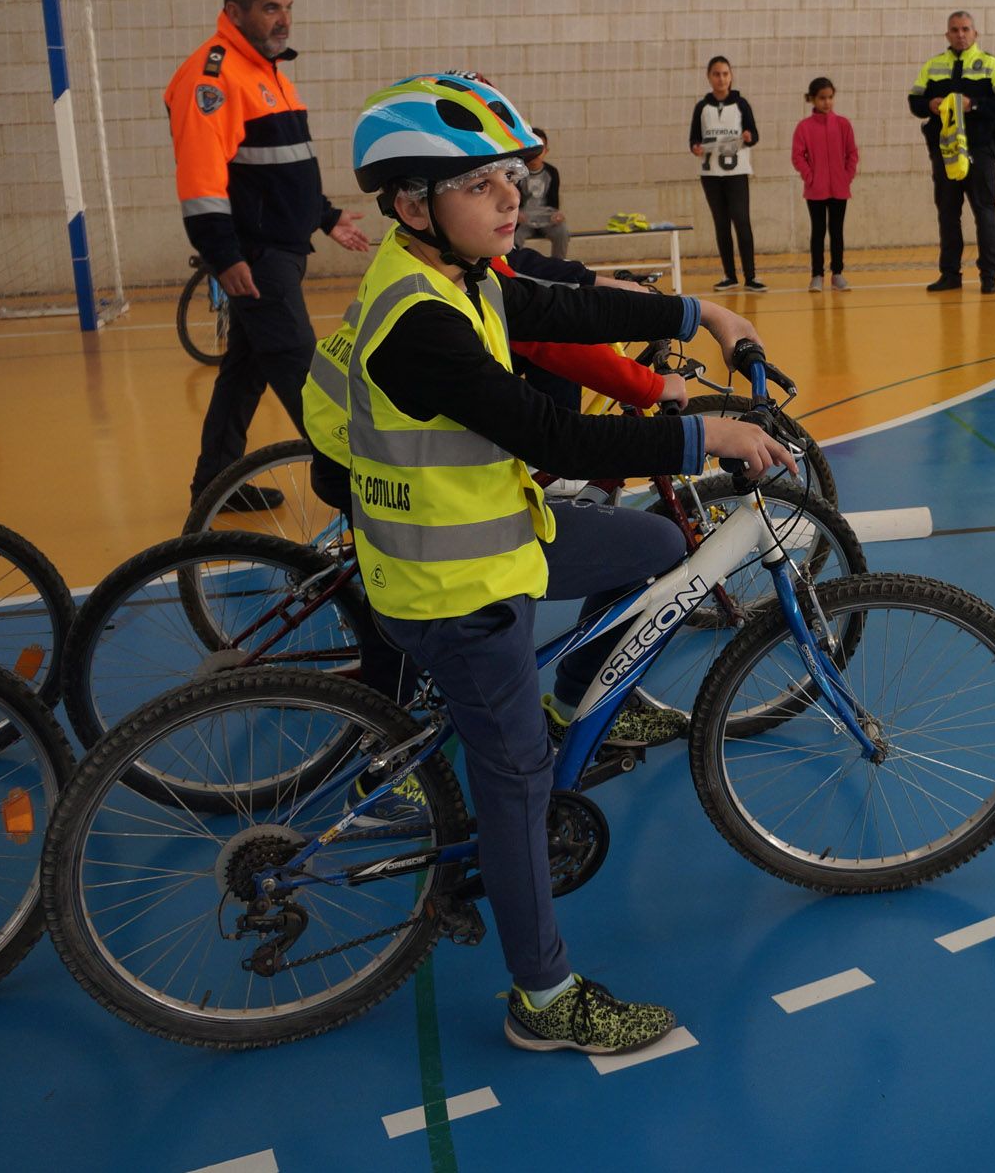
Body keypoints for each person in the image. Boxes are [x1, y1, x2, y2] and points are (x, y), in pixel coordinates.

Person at [306, 71, 791, 1055]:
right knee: (516, 779)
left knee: (656, 543)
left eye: (510, 179)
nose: (508, 198)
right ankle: (543, 996)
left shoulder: (459, 274)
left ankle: (574, 698)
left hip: (498, 536)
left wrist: (699, 313)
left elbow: (559, 306)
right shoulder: (418, 324)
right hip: (453, 587)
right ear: (411, 204)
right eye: (483, 184)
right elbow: (552, 435)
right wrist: (712, 438)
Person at [167, 0, 370, 511]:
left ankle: (215, 486)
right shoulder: (212, 78)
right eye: (270, 7)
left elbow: (281, 168)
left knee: (243, 376)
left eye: (287, 7)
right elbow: (201, 181)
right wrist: (224, 255)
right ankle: (360, 490)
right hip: (255, 259)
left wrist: (326, 216)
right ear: (235, 11)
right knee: (307, 380)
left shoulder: (270, 71)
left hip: (279, 251)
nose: (283, 19)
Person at [909, 11, 995, 294]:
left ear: (975, 33)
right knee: (947, 212)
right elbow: (914, 101)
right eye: (954, 30)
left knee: (985, 211)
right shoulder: (933, 66)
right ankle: (950, 274)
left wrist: (974, 105)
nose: (960, 34)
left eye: (965, 29)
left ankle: (989, 277)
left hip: (980, 150)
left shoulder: (991, 65)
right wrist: (928, 105)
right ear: (947, 35)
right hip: (945, 150)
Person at [688, 56, 763, 291]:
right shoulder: (702, 107)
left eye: (725, 74)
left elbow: (754, 135)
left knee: (741, 221)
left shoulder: (741, 105)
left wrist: (749, 137)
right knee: (721, 223)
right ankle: (729, 275)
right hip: (711, 175)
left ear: (731, 76)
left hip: (736, 172)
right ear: (709, 77)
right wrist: (696, 148)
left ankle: (751, 276)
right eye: (716, 74)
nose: (721, 79)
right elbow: (693, 139)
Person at [791, 77, 859, 292]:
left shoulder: (843, 124)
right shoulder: (804, 127)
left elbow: (852, 153)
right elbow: (797, 156)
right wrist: (810, 177)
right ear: (812, 99)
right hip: (815, 191)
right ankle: (817, 275)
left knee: (837, 232)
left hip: (839, 189)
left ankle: (837, 273)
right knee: (818, 232)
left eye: (830, 97)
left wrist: (846, 176)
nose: (827, 102)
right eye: (822, 98)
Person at [516, 127, 568, 258]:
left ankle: (558, 267)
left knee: (562, 232)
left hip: (545, 217)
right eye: (532, 149)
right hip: (524, 218)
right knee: (513, 236)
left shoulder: (552, 172)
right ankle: (516, 269)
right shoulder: (518, 172)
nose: (536, 154)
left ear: (546, 151)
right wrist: (516, 214)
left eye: (540, 149)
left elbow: (553, 203)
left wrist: (557, 215)